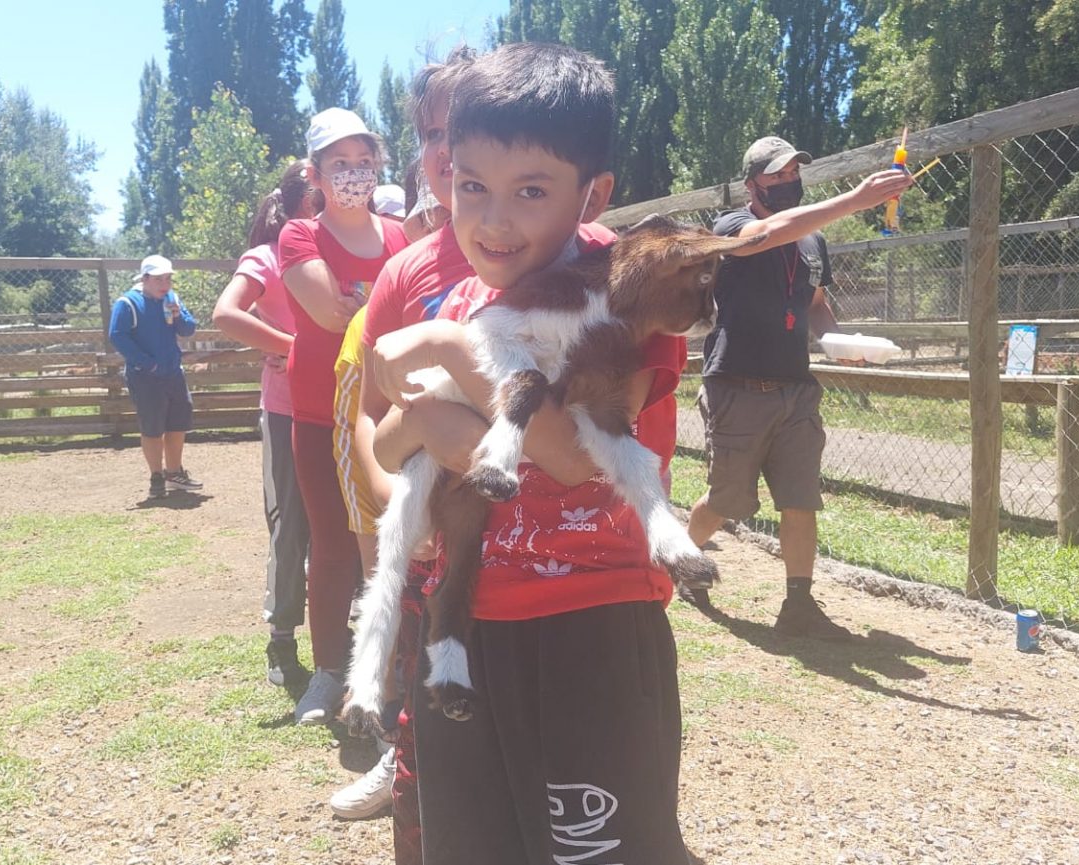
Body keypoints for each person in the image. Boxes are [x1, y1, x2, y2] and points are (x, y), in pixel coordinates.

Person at [367, 42, 692, 863]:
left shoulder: (625, 298)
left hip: (591, 629)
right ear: (442, 174)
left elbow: (577, 453)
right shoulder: (463, 297)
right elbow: (379, 457)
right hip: (465, 627)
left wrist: (447, 348)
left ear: (595, 192)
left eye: (531, 191)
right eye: (471, 185)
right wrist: (429, 432)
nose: (493, 218)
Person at [328, 45, 479, 842]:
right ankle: (402, 765)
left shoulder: (561, 253)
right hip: (432, 557)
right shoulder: (408, 271)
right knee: (429, 761)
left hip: (531, 569)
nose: (447, 151)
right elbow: (366, 408)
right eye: (430, 133)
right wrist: (397, 508)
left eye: (468, 127)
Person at [684, 135, 915, 639]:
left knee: (800, 499)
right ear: (752, 185)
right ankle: (684, 559)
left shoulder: (814, 241)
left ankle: (799, 603)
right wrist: (857, 200)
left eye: (794, 173)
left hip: (796, 387)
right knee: (725, 500)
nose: (789, 181)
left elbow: (813, 303)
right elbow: (768, 233)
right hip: (738, 384)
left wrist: (836, 340)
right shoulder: (732, 228)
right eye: (777, 175)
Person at [278, 107, 409, 726]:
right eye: (340, 164)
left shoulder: (399, 237)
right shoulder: (299, 236)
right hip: (318, 413)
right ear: (316, 173)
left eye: (364, 161)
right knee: (330, 544)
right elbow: (332, 314)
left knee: (398, 539)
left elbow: (393, 310)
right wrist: (369, 302)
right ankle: (331, 672)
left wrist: (360, 299)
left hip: (390, 409)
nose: (355, 173)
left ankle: (395, 666)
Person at [211, 160, 319, 687]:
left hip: (339, 408)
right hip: (286, 410)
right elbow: (226, 313)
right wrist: (291, 347)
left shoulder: (336, 255)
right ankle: (281, 639)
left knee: (338, 525)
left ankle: (336, 634)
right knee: (290, 523)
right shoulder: (267, 258)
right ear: (305, 203)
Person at [108, 254, 202, 499]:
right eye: (160, 279)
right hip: (145, 377)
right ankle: (156, 476)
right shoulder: (127, 303)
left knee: (178, 423)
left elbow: (188, 329)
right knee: (152, 428)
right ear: (145, 278)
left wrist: (180, 315)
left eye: (168, 278)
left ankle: (174, 473)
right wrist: (146, 364)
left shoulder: (172, 299)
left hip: (173, 373)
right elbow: (118, 336)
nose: (165, 284)